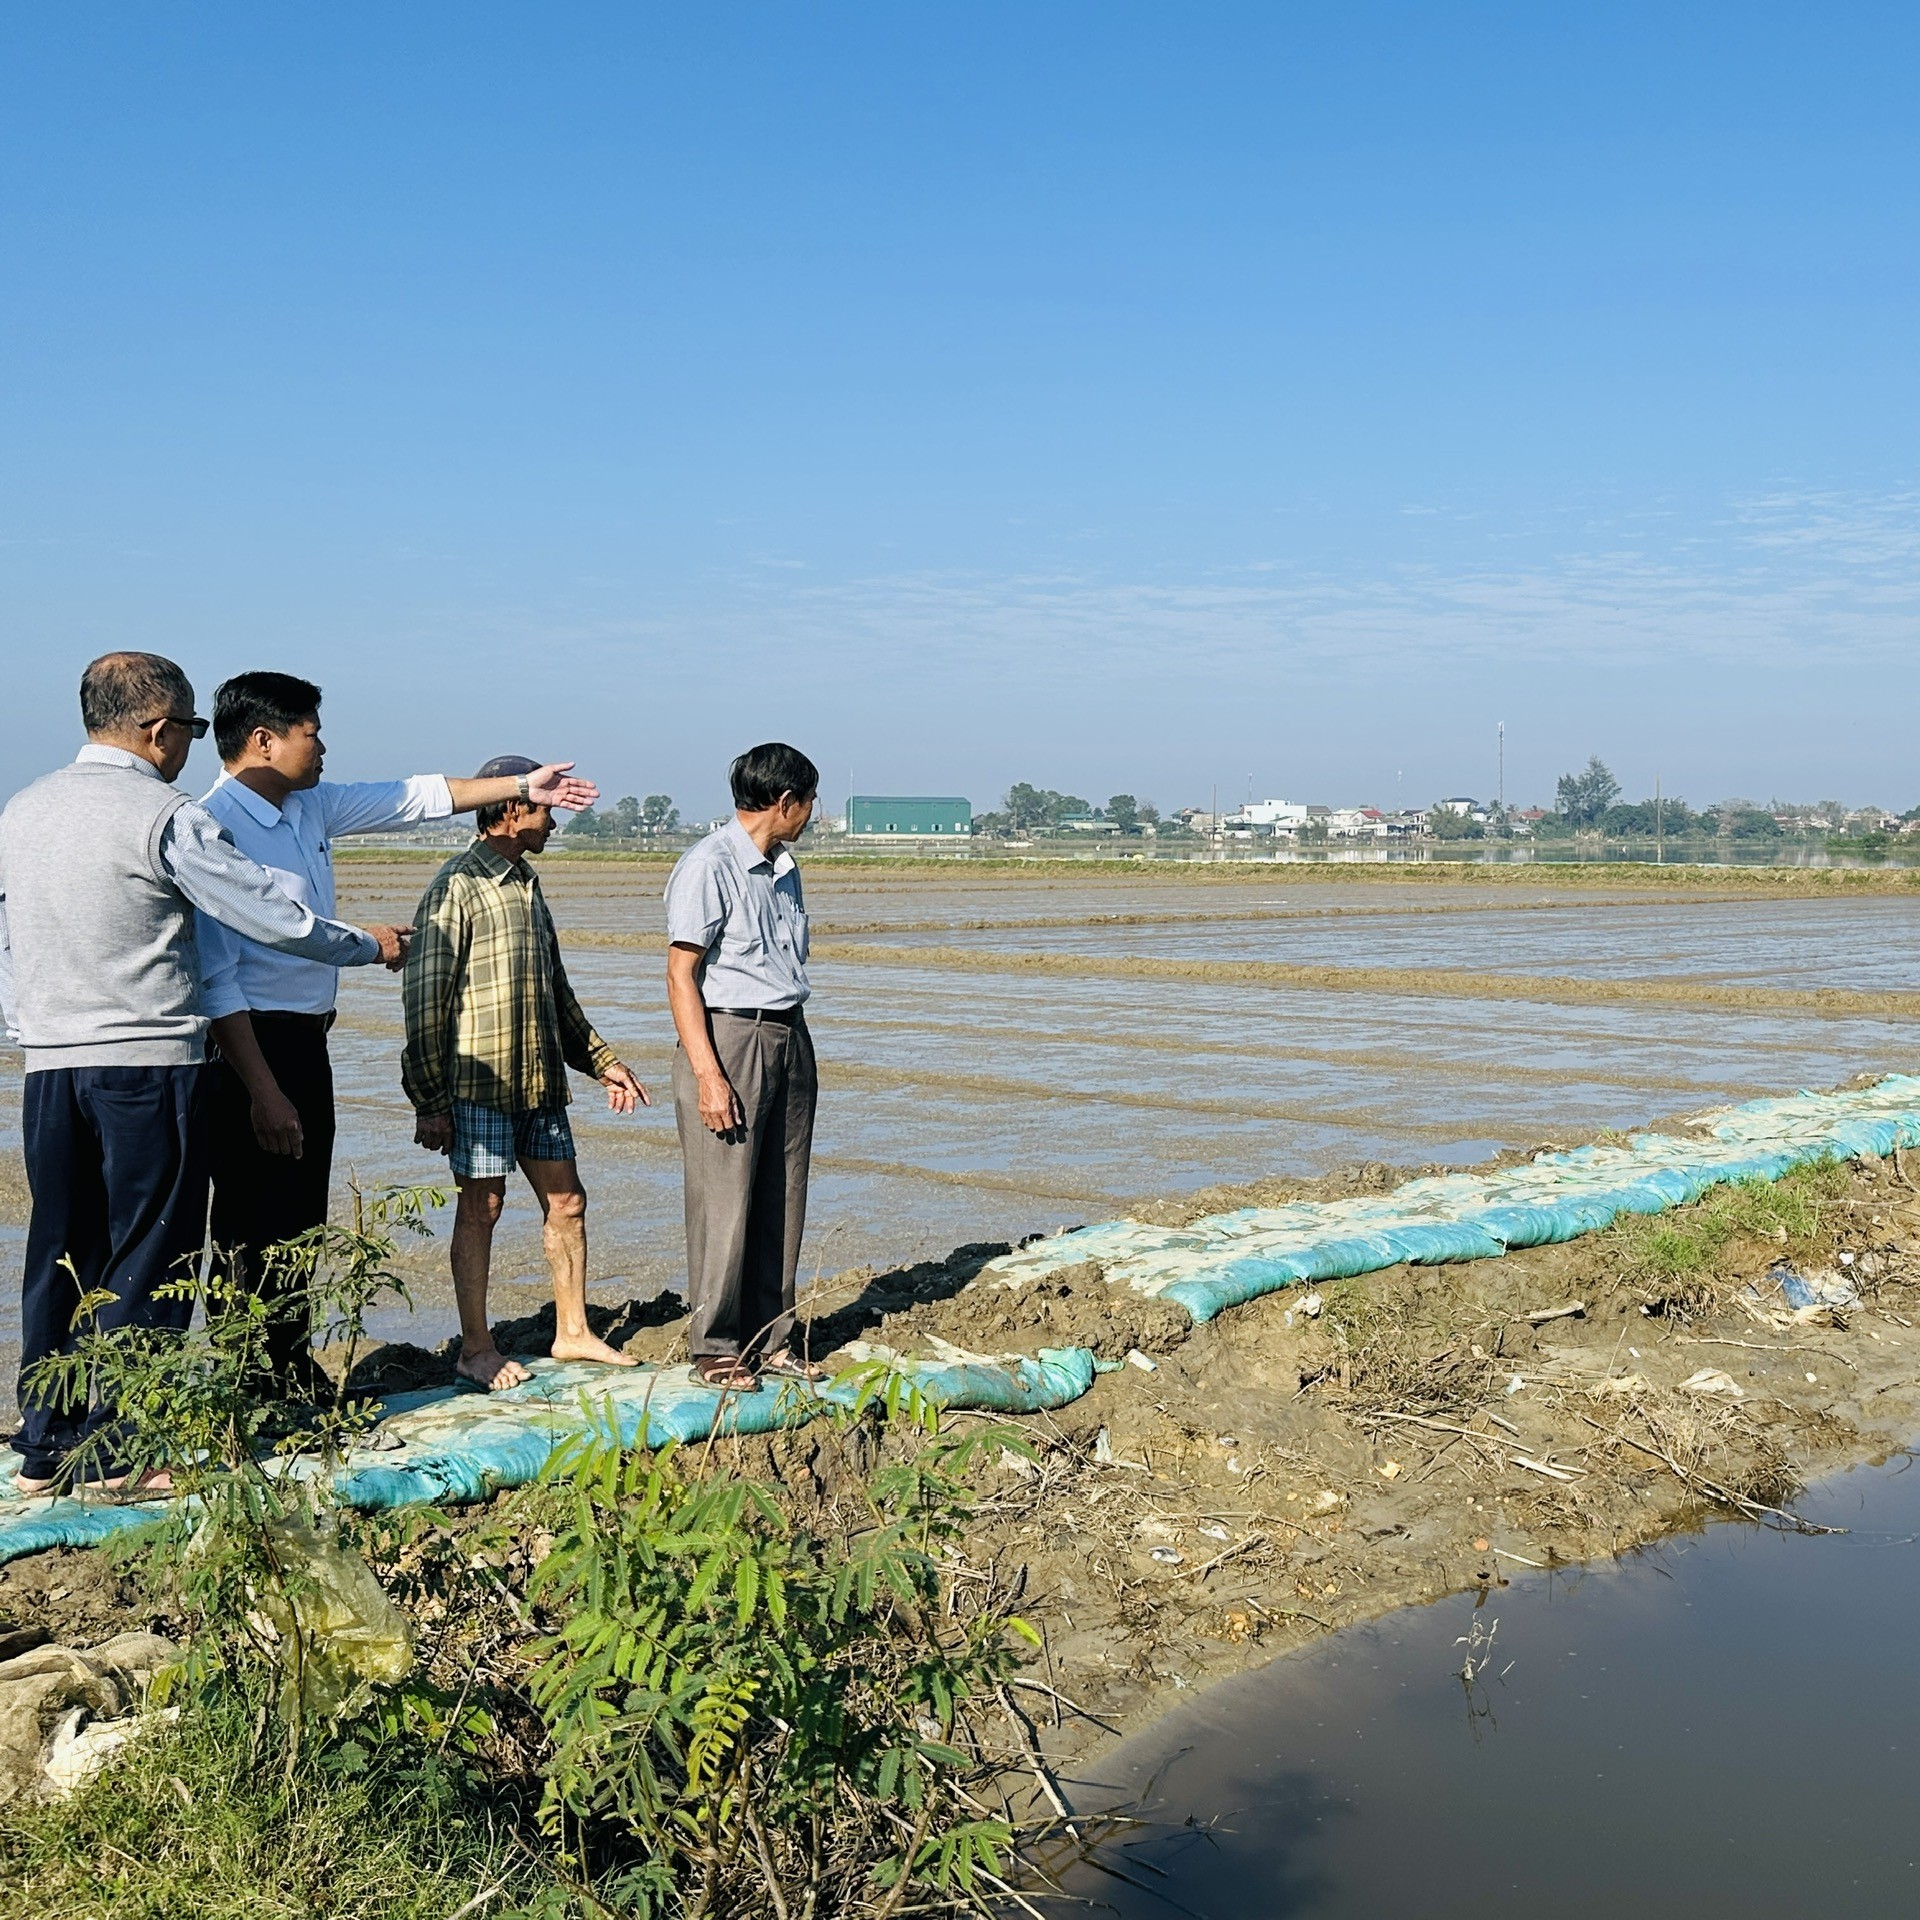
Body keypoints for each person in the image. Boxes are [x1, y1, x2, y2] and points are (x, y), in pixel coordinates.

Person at [0, 652, 408, 1494]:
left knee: (61, 1251)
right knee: (151, 1255)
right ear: (157, 732)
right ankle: (120, 1452)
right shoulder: (166, 816)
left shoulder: (23, 810)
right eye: (186, 731)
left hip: (47, 1066)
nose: (189, 746)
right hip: (146, 1065)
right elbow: (268, 916)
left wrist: (33, 1027)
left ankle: (45, 1446)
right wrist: (364, 943)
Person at [196, 670, 601, 1397]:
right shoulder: (213, 825)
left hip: (305, 1039)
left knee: (299, 1215)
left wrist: (528, 786)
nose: (323, 749)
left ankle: (285, 1364)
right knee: (245, 1219)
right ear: (264, 740)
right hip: (246, 1044)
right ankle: (243, 1375)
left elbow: (413, 797)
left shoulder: (306, 806)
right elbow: (232, 965)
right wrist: (366, 946)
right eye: (311, 734)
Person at [402, 757, 649, 1391]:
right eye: (546, 810)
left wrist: (604, 1063)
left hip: (539, 1084)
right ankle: (475, 1348)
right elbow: (425, 1001)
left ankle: (572, 1333)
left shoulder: (527, 884)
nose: (554, 824)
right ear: (513, 810)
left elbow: (557, 994)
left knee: (568, 1202)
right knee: (482, 1205)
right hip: (478, 1085)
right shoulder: (456, 887)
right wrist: (430, 1100)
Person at [664, 742, 825, 1391]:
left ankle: (773, 1338)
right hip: (731, 1038)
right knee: (724, 1198)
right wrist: (709, 1074)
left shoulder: (785, 869)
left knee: (783, 1193)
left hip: (789, 1032)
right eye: (809, 803)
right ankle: (716, 1346)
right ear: (785, 802)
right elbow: (681, 975)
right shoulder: (709, 864)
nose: (812, 815)